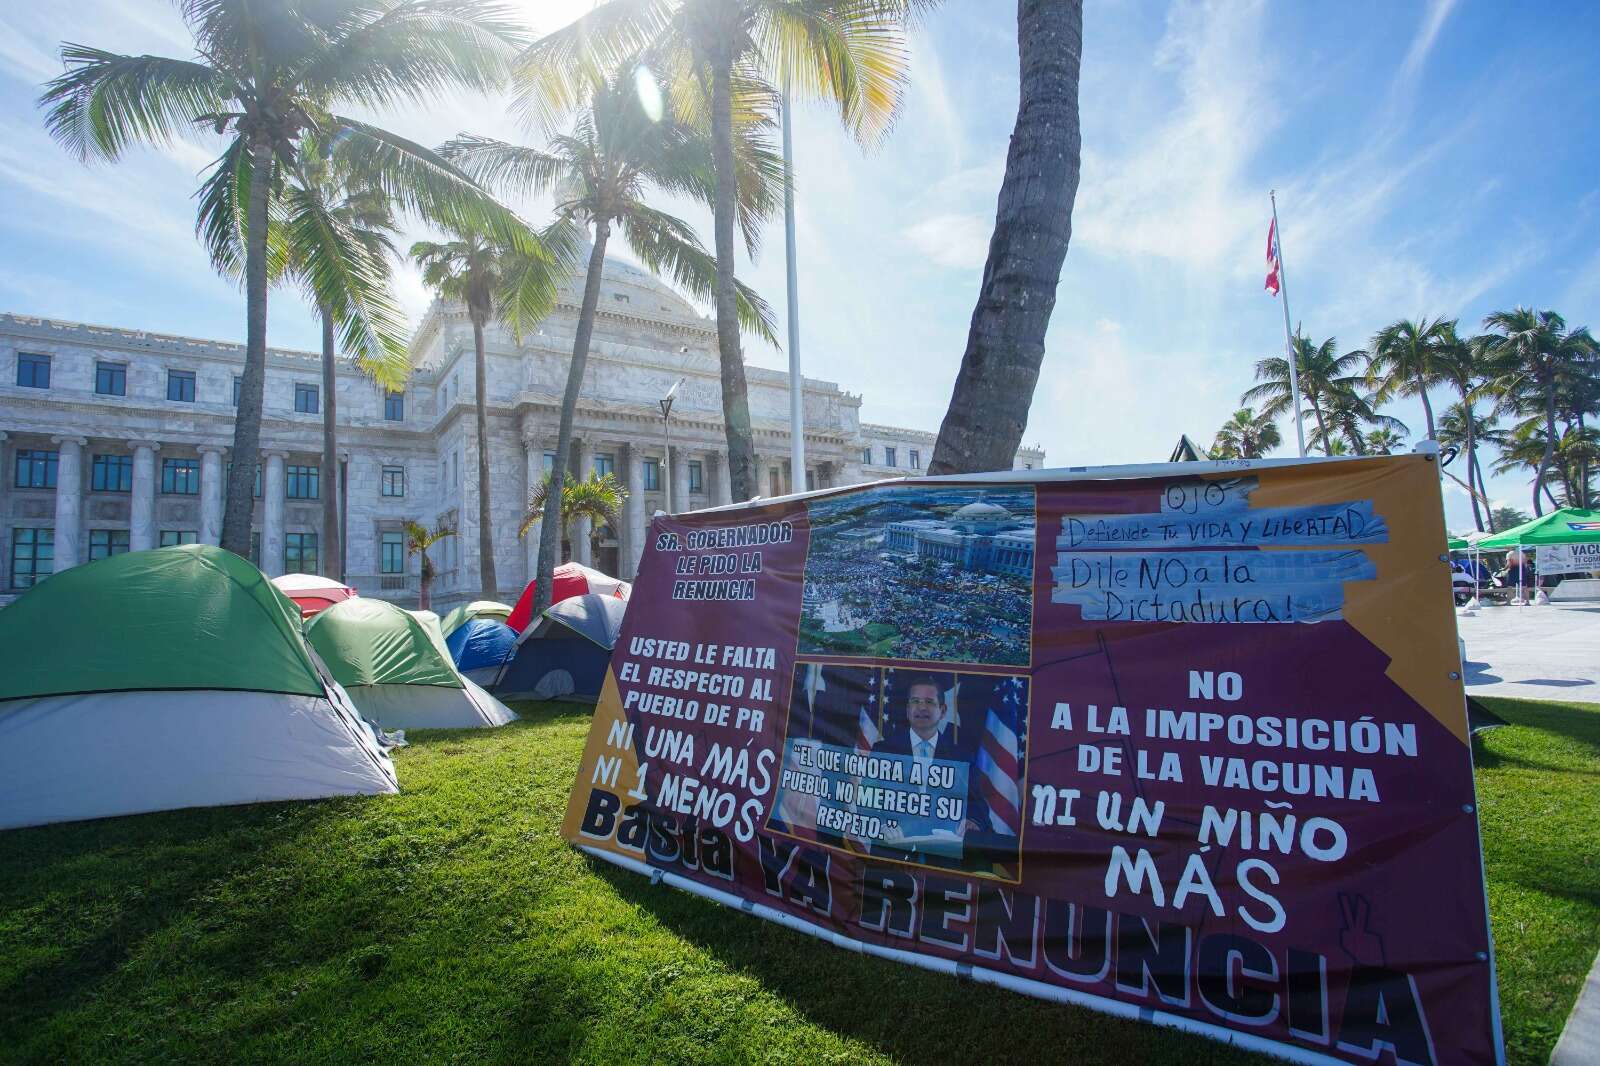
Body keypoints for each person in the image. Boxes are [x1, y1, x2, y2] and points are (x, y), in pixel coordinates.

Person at [869, 677, 988, 860]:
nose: (922, 707)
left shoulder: (961, 756)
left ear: (942, 710)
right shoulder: (883, 750)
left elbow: (978, 805)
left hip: (944, 859)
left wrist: (972, 821)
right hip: (892, 853)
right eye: (915, 701)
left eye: (930, 702)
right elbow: (866, 801)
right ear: (908, 710)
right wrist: (882, 825)